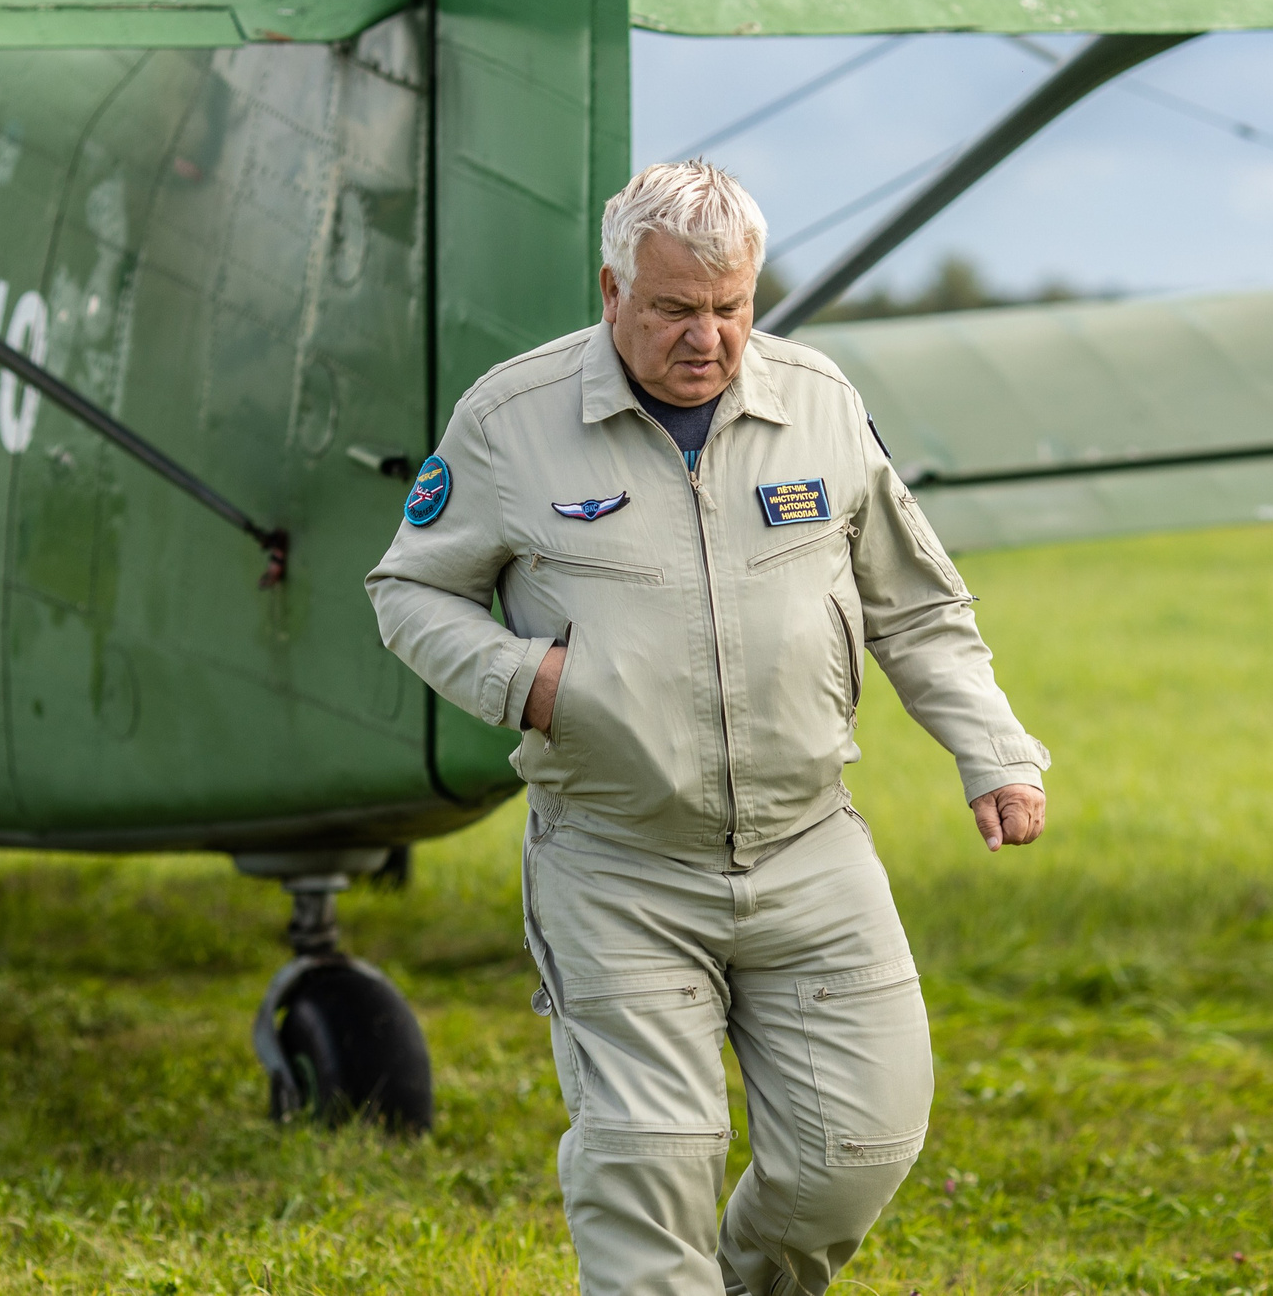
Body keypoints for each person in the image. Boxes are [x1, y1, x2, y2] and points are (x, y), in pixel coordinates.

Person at [366, 161, 1049, 1295]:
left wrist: (994, 752)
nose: (709, 337)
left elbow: (917, 604)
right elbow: (408, 590)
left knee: (853, 1154)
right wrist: (527, 680)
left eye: (731, 306)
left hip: (809, 846)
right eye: (676, 308)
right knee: (652, 1158)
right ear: (612, 290)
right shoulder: (508, 420)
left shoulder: (818, 401)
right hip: (617, 859)